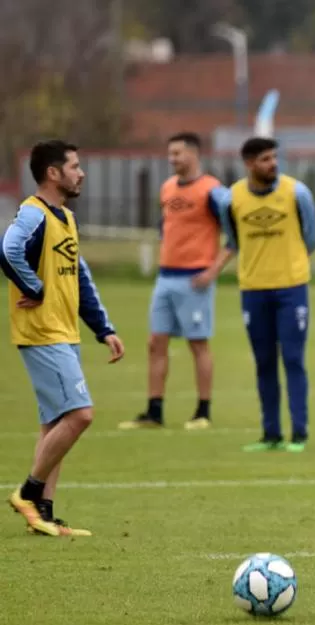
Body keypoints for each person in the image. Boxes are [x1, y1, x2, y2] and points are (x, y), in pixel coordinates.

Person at [1, 140, 125, 537]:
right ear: (53, 173)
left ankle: (43, 514)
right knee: (80, 415)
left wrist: (103, 328)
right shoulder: (32, 214)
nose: (81, 172)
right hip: (42, 332)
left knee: (54, 422)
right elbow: (8, 250)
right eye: (74, 166)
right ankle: (28, 491)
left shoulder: (66, 220)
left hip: (64, 330)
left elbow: (80, 278)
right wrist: (34, 288)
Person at [119, 132, 230, 431]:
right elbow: (166, 227)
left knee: (198, 343)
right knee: (156, 343)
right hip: (165, 277)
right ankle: (154, 412)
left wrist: (212, 271)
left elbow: (234, 235)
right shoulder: (167, 188)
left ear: (194, 154)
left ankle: (202, 412)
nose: (172, 159)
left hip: (195, 280)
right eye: (170, 153)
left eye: (178, 153)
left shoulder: (213, 191)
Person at [218, 137, 315, 452]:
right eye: (265, 159)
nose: (272, 164)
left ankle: (299, 433)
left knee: (292, 358)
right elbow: (233, 239)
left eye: (274, 157)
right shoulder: (231, 199)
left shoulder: (296, 193)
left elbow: (311, 237)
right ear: (249, 164)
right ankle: (271, 434)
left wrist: (290, 263)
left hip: (292, 288)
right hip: (253, 290)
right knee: (263, 362)